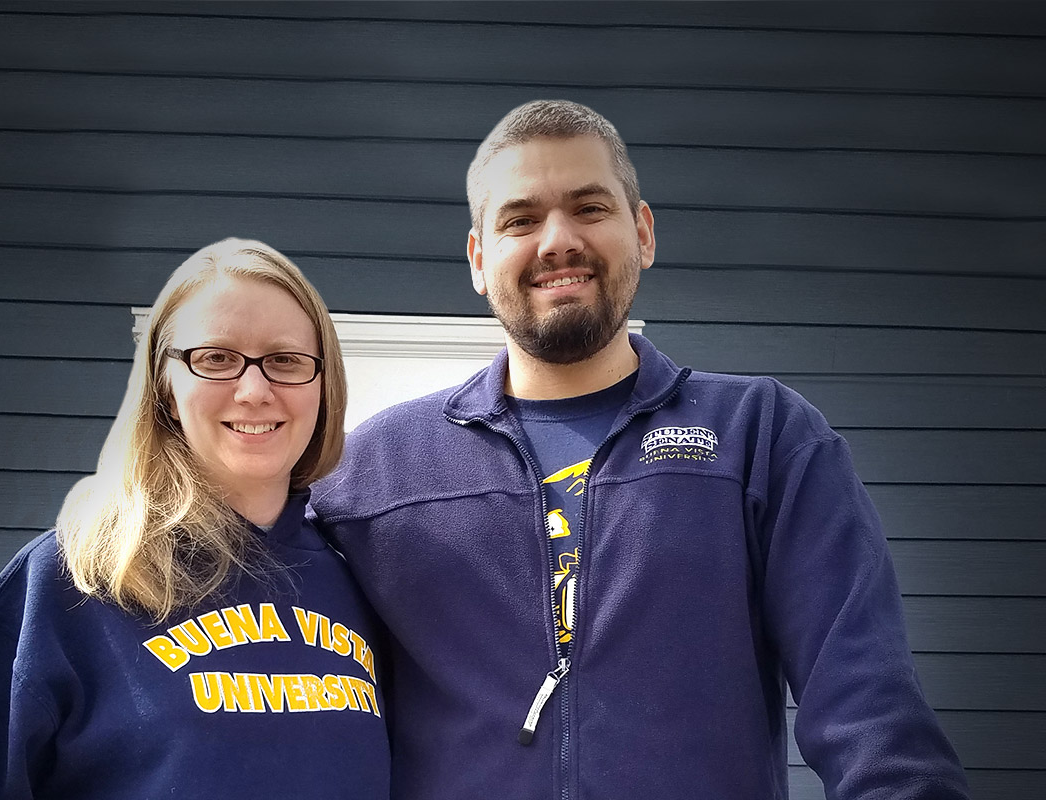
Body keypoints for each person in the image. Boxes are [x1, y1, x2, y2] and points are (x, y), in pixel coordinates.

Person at [312, 101, 970, 798]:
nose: (557, 240)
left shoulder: (761, 436)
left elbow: (871, 713)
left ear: (644, 232)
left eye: (589, 208)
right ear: (479, 258)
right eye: (520, 219)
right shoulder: (372, 473)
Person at [0, 239, 389, 799]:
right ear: (164, 383)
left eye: (285, 360)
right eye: (216, 358)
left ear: (323, 384)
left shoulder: (364, 579)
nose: (255, 390)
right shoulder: (73, 580)